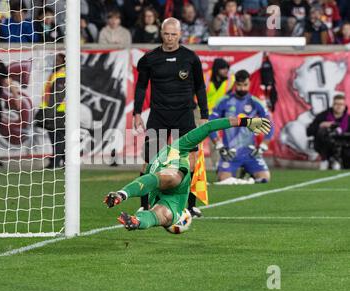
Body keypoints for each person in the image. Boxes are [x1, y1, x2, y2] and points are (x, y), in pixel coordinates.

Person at [104, 117, 272, 231]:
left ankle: (127, 203)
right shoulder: (174, 148)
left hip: (171, 186)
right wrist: (246, 121)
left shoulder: (156, 161)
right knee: (163, 213)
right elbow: (209, 127)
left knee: (164, 193)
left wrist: (246, 121)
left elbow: (209, 126)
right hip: (172, 195)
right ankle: (135, 217)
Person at [133, 17, 209, 218]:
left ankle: (189, 206)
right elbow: (141, 87)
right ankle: (145, 205)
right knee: (149, 161)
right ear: (161, 34)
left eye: (173, 34)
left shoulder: (190, 58)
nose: (170, 38)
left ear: (180, 34)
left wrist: (204, 114)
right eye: (166, 34)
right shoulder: (149, 59)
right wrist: (137, 113)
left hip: (184, 115)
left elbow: (200, 87)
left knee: (190, 162)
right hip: (158, 116)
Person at [209, 70, 274, 183]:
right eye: (239, 85)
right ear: (235, 84)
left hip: (250, 152)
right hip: (230, 152)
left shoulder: (255, 102)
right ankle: (244, 176)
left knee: (265, 178)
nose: (242, 88)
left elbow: (269, 124)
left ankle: (246, 172)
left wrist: (263, 146)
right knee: (223, 179)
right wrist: (219, 146)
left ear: (249, 84)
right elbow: (210, 124)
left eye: (245, 85)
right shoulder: (224, 101)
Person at [35, 53, 66, 169]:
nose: (56, 62)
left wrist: (49, 113)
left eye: (59, 60)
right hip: (52, 110)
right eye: (55, 60)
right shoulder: (55, 73)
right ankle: (62, 161)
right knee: (56, 137)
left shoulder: (61, 74)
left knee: (57, 137)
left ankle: (56, 162)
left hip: (57, 111)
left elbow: (57, 96)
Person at [306, 94, 350, 170]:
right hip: (325, 146)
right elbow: (309, 131)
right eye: (336, 104)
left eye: (341, 104)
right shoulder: (323, 116)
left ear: (344, 106)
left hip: (344, 146)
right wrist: (321, 125)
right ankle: (325, 160)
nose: (339, 106)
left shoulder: (348, 119)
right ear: (332, 105)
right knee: (324, 131)